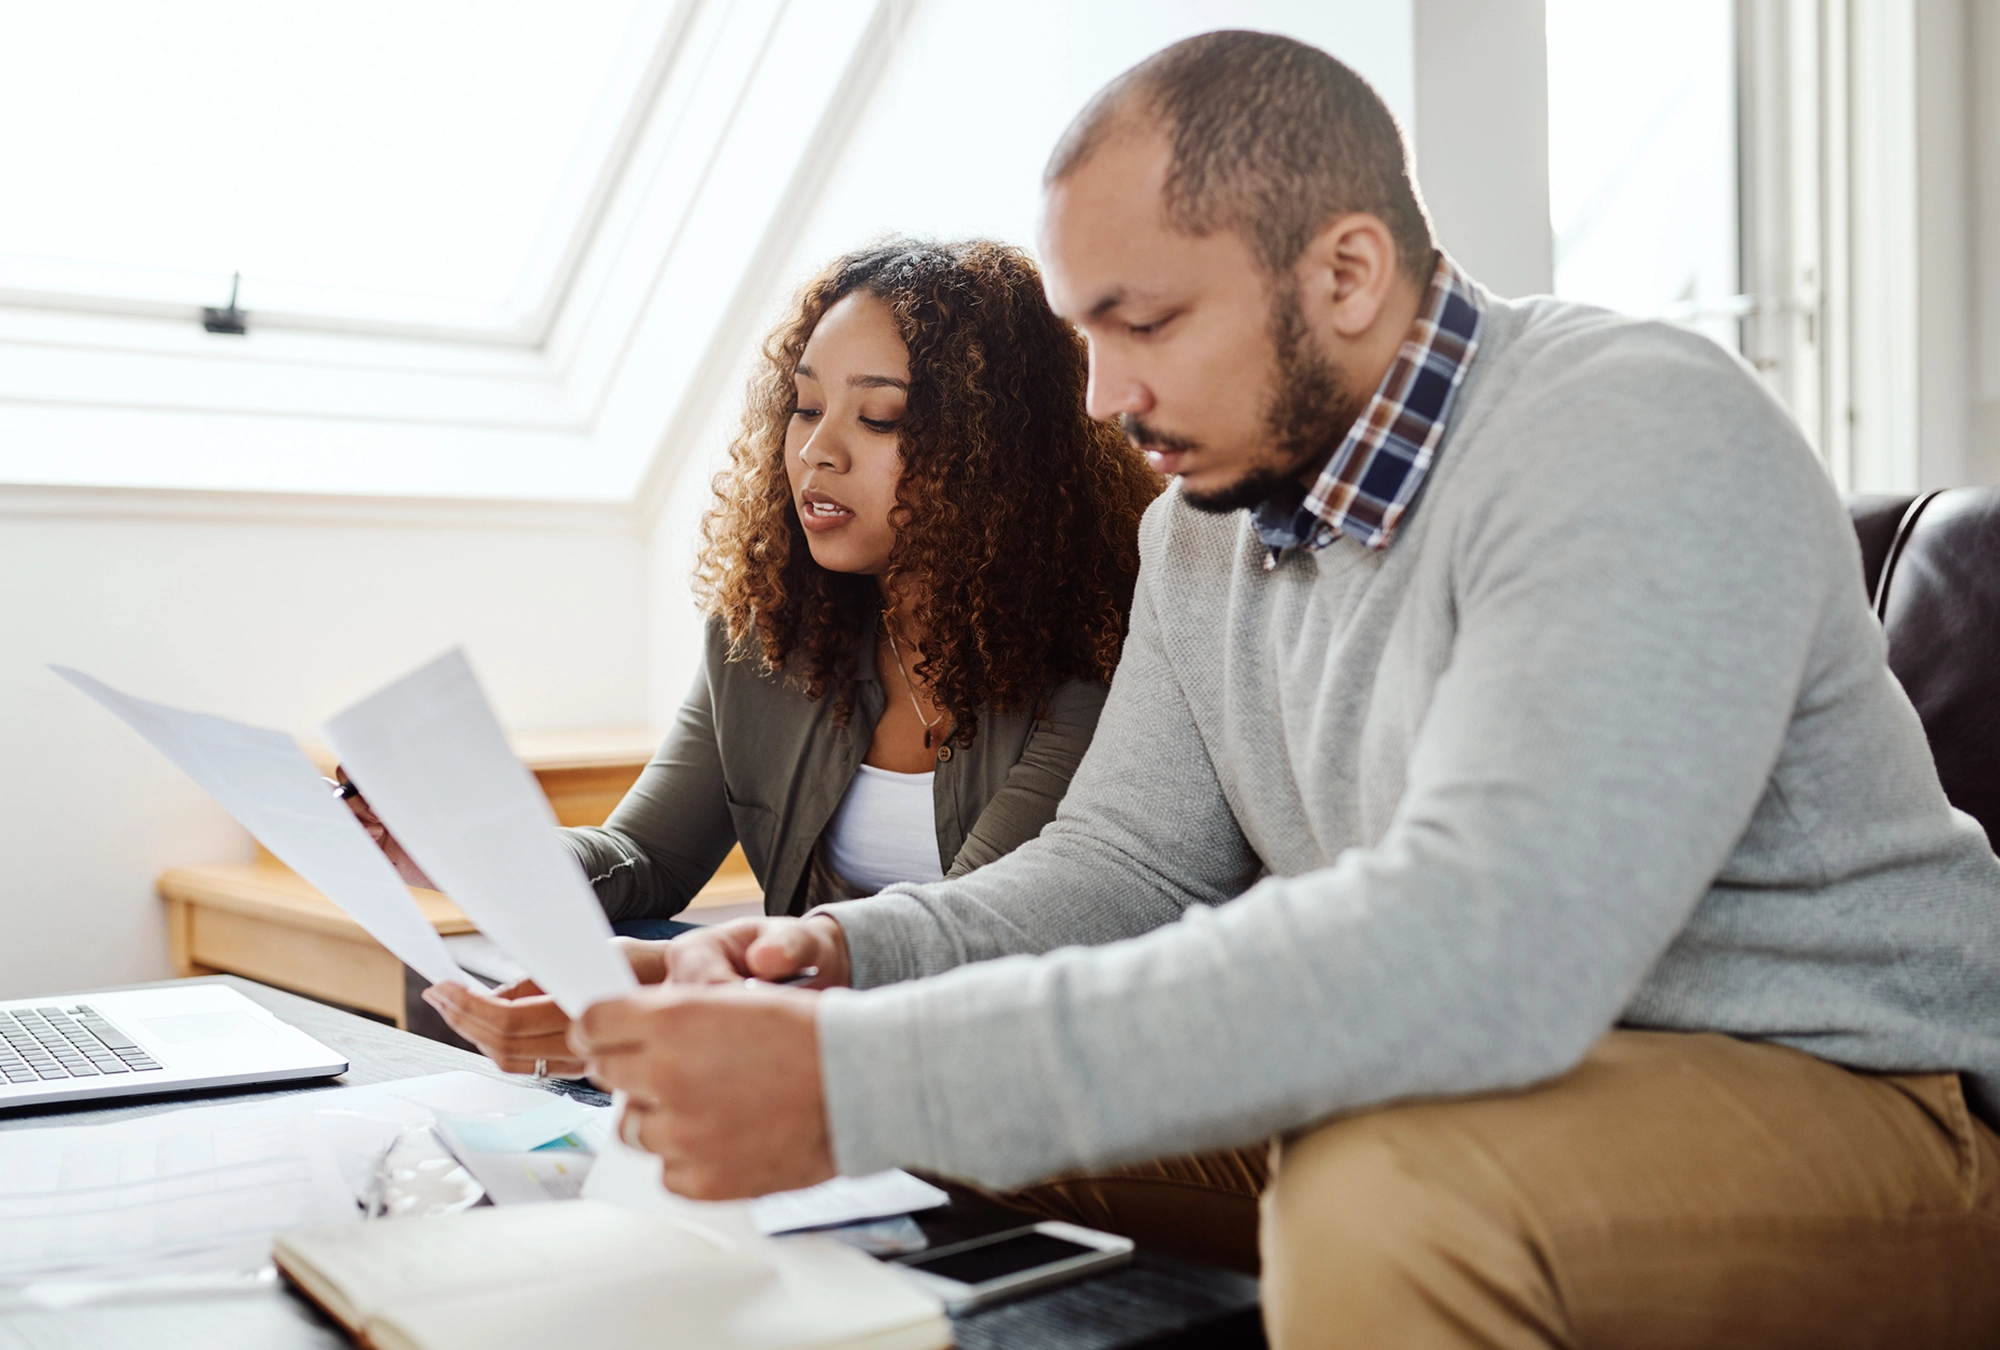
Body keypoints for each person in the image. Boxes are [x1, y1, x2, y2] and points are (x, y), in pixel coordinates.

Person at [564, 31, 2000, 1348]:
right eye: (1087, 335)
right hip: (1483, 1068)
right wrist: (840, 970)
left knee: (1390, 1190)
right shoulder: (1198, 534)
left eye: (1146, 323)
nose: (1099, 397)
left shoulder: (1632, 429)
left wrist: (854, 1073)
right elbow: (1122, 861)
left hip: (1862, 1096)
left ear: (1347, 273)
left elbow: (1481, 953)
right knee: (962, 1122)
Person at [357, 238, 1159, 1077]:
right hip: (806, 1045)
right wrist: (463, 848)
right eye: (806, 407)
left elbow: (967, 938)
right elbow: (646, 861)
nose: (820, 450)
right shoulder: (765, 634)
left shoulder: (1099, 654)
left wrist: (681, 981)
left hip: (999, 1064)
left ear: (1002, 456)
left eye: (880, 418)